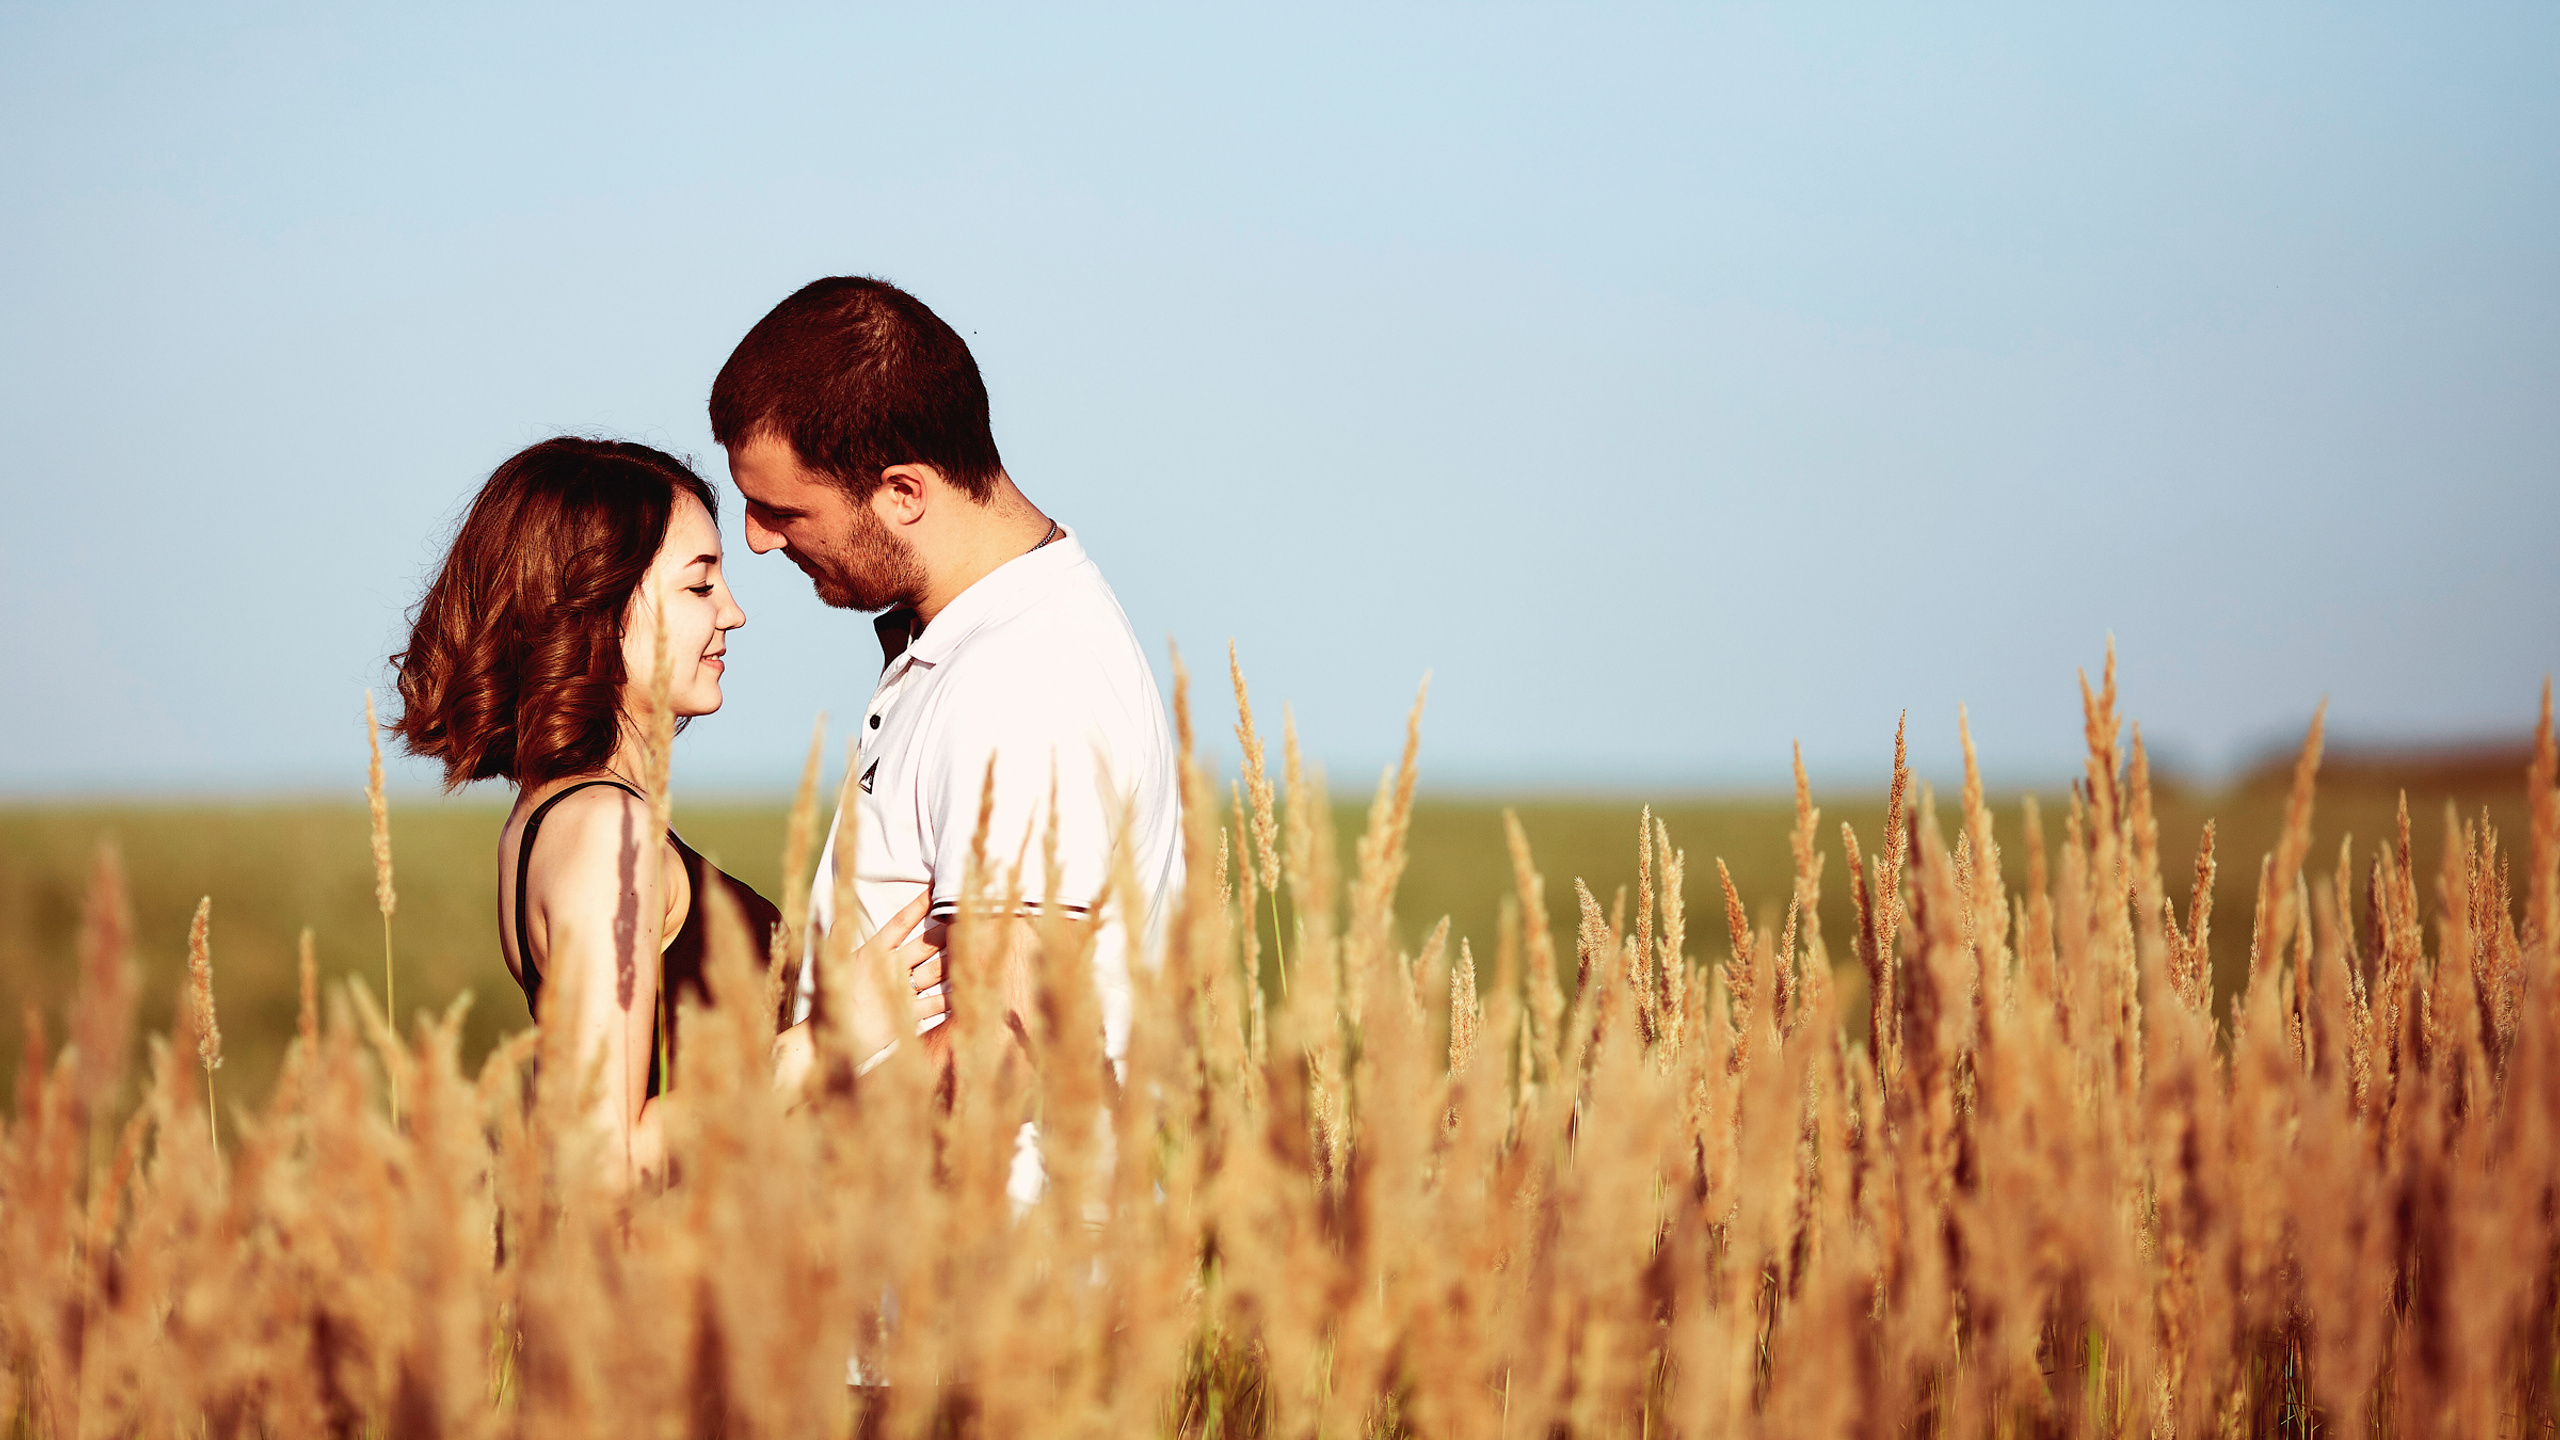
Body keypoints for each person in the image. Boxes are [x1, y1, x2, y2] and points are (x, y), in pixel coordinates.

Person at [389, 436, 942, 1190]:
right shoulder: (602, 832)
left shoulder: (563, 814)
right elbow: (603, 1164)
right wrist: (821, 1045)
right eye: (700, 587)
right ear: (600, 605)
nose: (735, 613)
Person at [709, 277, 1183, 1090]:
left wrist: (784, 1126)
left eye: (781, 510)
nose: (755, 540)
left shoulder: (1025, 675)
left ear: (903, 493)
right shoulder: (977, 644)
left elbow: (1010, 1053)